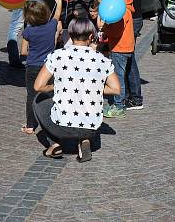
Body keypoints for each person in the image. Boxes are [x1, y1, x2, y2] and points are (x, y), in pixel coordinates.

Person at [32, 17, 121, 162]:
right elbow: (116, 89)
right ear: (91, 36)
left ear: (71, 35)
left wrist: (57, 86)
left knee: (39, 100)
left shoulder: (57, 55)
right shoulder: (102, 60)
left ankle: (55, 142)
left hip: (61, 125)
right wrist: (93, 87)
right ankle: (85, 140)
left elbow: (38, 86)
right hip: (91, 126)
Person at [101, 0, 141, 117]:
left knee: (118, 78)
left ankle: (118, 105)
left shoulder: (120, 10)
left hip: (119, 48)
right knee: (122, 76)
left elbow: (117, 32)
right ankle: (120, 102)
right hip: (126, 47)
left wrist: (105, 29)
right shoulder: (126, 7)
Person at [21, 0, 62, 134]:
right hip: (49, 68)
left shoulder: (28, 32)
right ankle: (52, 120)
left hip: (32, 67)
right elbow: (57, 14)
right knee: (50, 94)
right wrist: (59, 1)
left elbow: (23, 52)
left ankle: (30, 125)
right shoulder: (51, 26)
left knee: (31, 96)